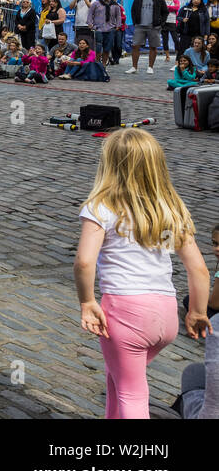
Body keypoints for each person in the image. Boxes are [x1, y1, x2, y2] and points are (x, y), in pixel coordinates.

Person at [75, 129, 211, 419]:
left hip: (126, 312)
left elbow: (84, 262)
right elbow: (198, 268)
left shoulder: (101, 207)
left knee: (132, 393)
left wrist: (87, 302)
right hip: (165, 315)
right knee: (118, 376)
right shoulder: (171, 209)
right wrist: (198, 311)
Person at [125, 0, 165, 75]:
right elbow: (133, 10)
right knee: (135, 46)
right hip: (140, 26)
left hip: (153, 27)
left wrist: (160, 23)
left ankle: (150, 67)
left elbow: (165, 12)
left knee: (153, 47)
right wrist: (135, 22)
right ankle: (134, 67)